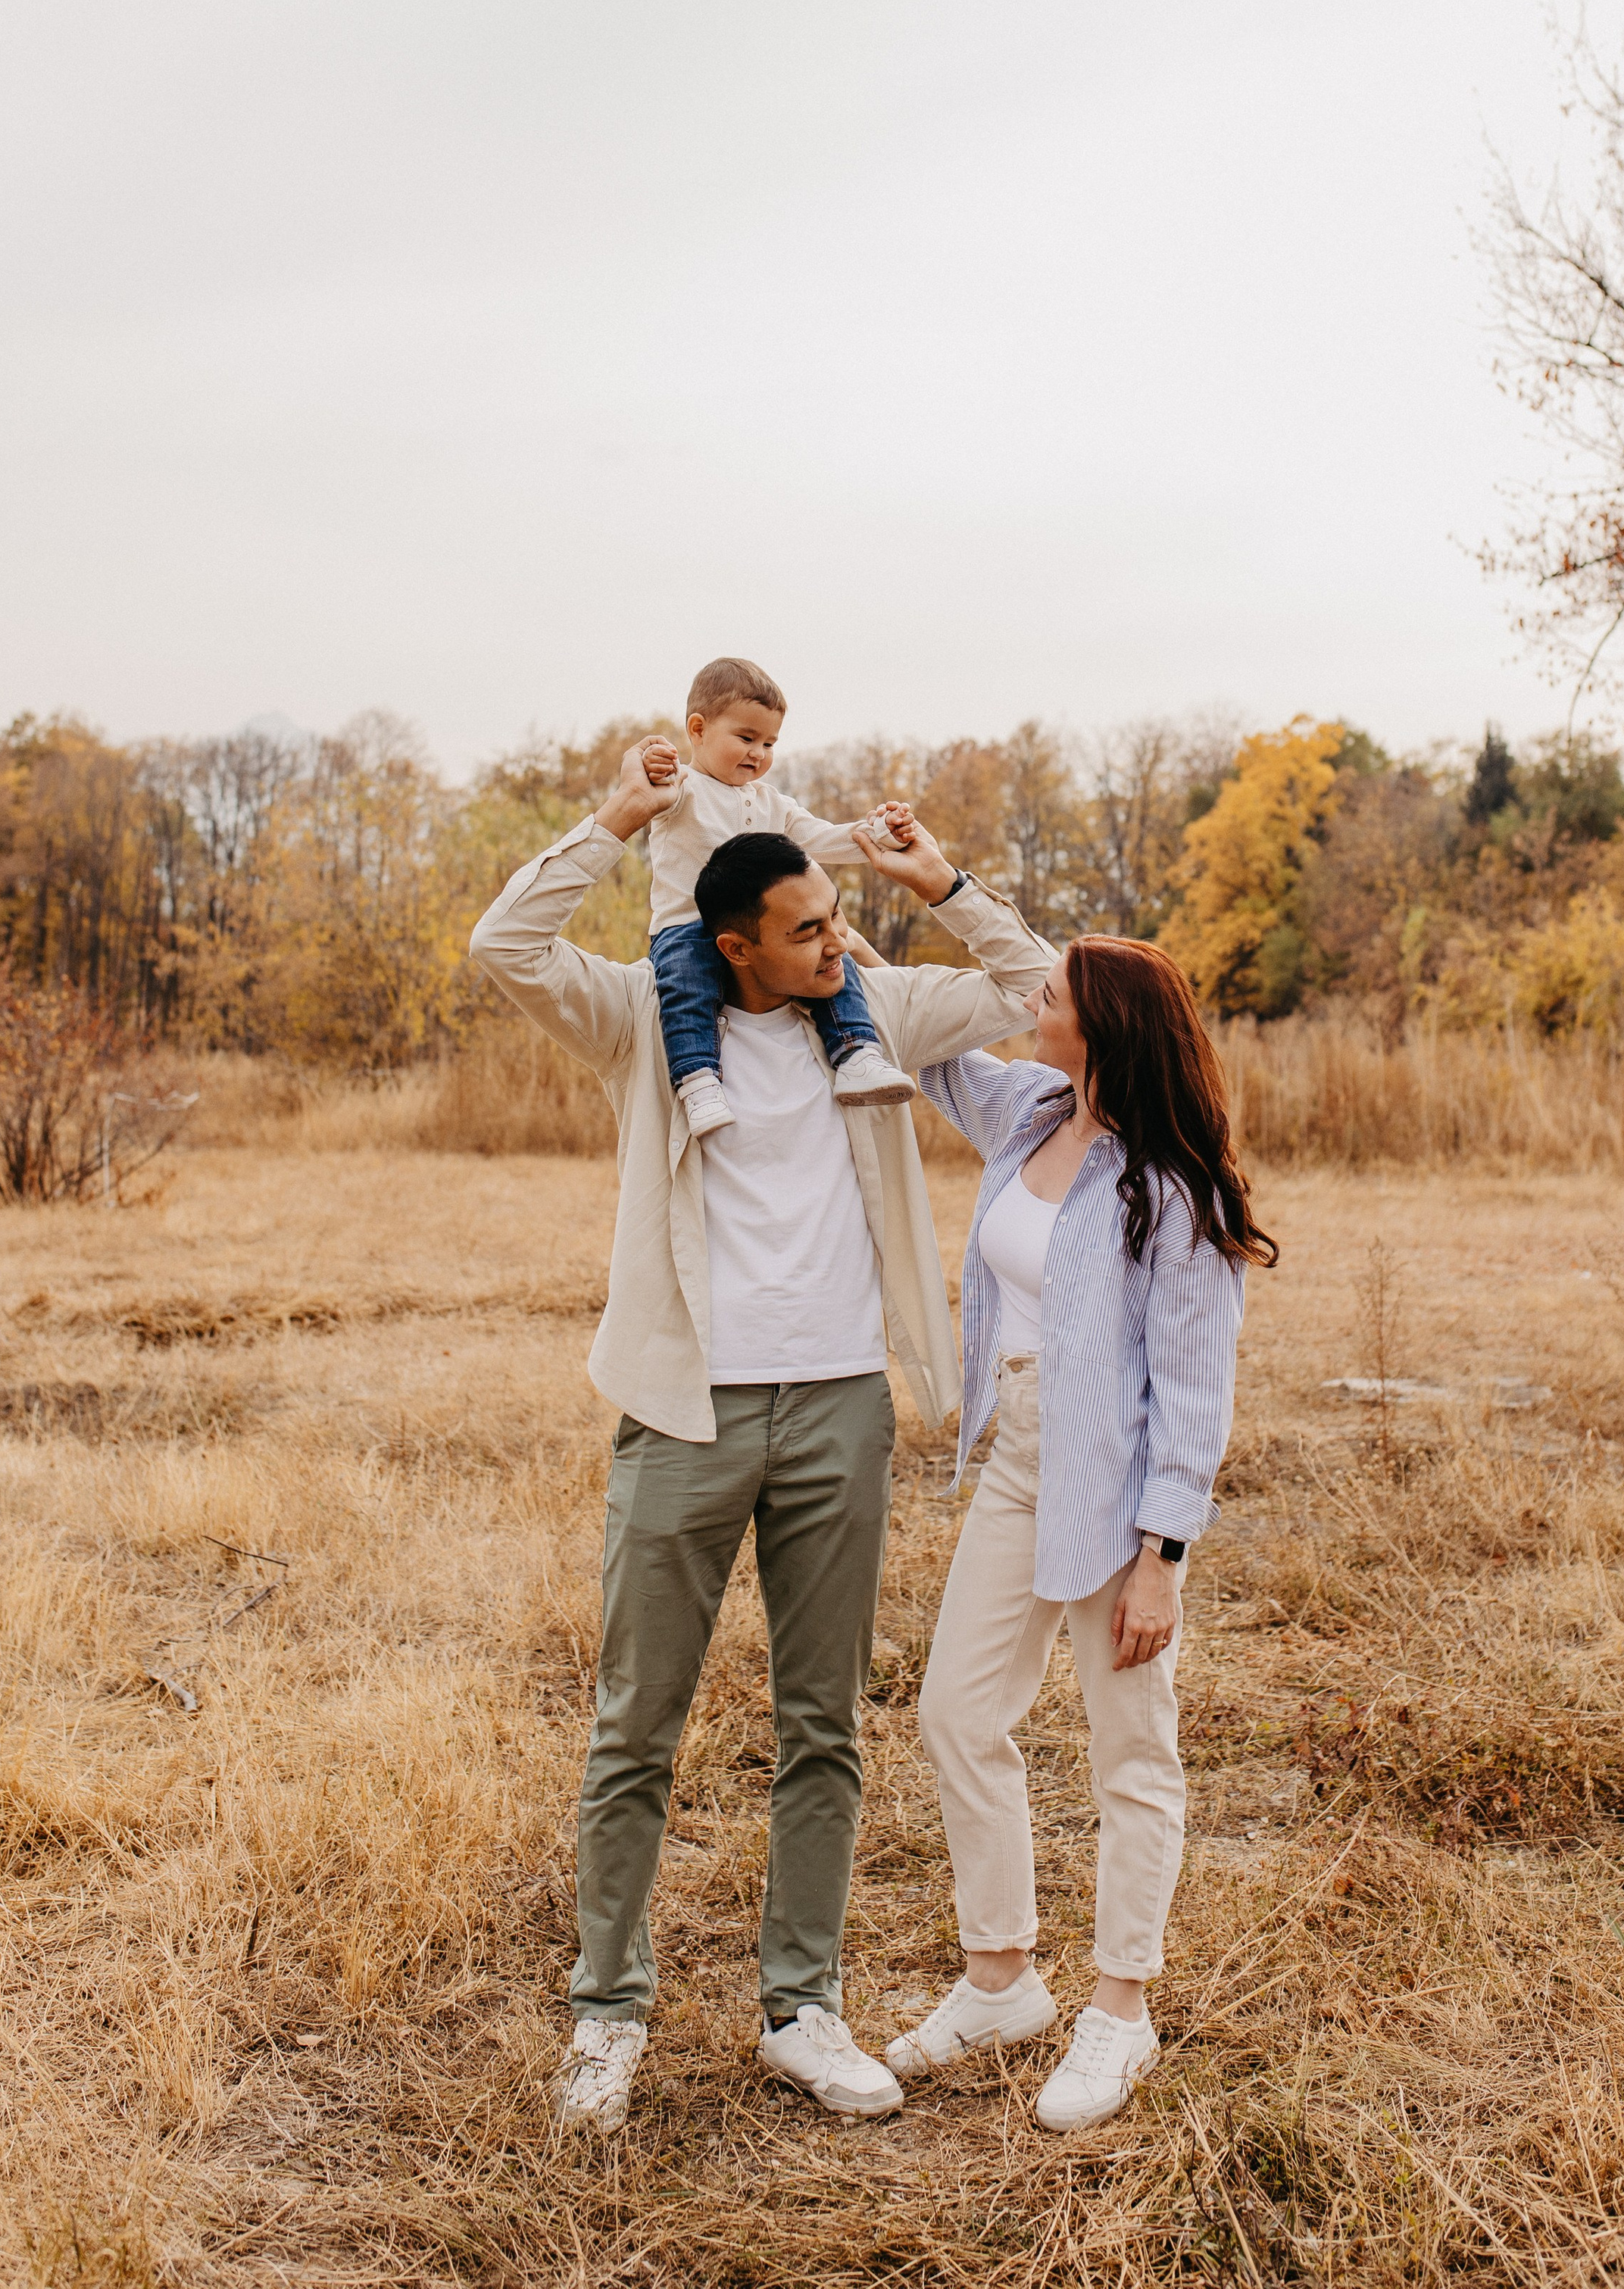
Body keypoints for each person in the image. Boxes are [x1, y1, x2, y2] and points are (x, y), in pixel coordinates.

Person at [468, 749, 1052, 2134]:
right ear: (733, 947)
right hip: (687, 1410)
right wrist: (617, 817)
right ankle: (607, 2014)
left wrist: (941, 881)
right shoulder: (640, 1017)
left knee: (823, 1724)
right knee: (635, 1729)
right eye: (806, 927)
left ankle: (804, 2009)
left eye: (835, 920)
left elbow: (1039, 987)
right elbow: (505, 943)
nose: (834, 941)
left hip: (842, 1404)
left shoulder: (876, 1007)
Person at [883, 938, 1274, 2131]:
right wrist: (867, 921)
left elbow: (1195, 1396)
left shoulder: (1172, 1188)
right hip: (1019, 1459)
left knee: (1130, 1752)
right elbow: (936, 1044)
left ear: (1098, 1027)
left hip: (1118, 1489)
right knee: (958, 1710)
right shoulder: (1027, 1112)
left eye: (1047, 996)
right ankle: (1001, 1980)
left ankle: (1119, 2012)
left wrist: (1162, 1561)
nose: (1027, 1003)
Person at [636, 654, 914, 1137]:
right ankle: (698, 1080)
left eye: (769, 743)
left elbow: (827, 838)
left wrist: (881, 833)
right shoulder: (682, 788)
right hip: (689, 926)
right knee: (685, 988)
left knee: (832, 960)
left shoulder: (772, 803)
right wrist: (652, 763)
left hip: (768, 932)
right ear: (697, 730)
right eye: (746, 739)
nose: (758, 754)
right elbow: (645, 787)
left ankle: (856, 1054)